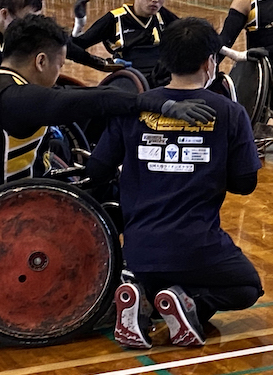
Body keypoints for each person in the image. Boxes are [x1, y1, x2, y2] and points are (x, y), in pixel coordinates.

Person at [89, 18, 263, 349]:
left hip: (140, 249)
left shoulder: (136, 107)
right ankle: (188, 303)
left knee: (155, 273)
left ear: (165, 61)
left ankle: (142, 296)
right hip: (200, 246)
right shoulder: (229, 112)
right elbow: (245, 184)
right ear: (209, 61)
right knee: (247, 288)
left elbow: (98, 170)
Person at [0, 15, 216, 193]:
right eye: (60, 65)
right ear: (41, 62)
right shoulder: (18, 98)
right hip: (10, 209)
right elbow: (95, 100)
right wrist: (159, 104)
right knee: (112, 197)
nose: (59, 72)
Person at [73, 0, 178, 79]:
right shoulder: (114, 19)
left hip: (161, 79)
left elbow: (191, 37)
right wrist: (103, 64)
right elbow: (73, 47)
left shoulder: (164, 16)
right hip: (130, 79)